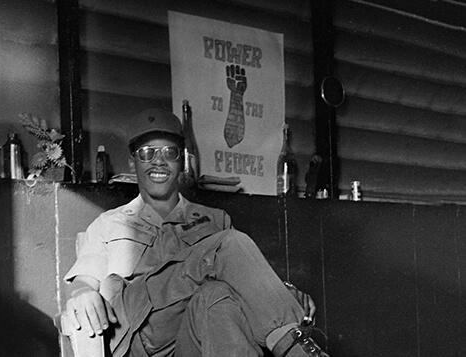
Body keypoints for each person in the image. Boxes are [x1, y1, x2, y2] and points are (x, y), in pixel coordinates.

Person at [64, 108, 329, 357]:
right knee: (228, 245)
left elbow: (245, 273)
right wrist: (81, 294)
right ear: (133, 163)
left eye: (170, 152)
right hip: (138, 334)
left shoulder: (215, 219)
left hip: (190, 338)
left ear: (181, 162)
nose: (159, 161)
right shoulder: (109, 223)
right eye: (147, 153)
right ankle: (295, 346)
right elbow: (84, 282)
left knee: (216, 296)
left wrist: (285, 290)